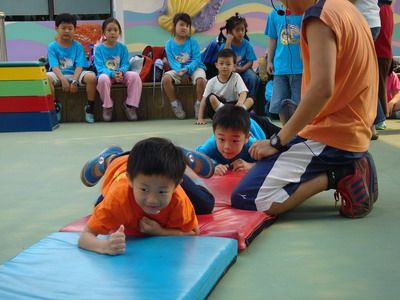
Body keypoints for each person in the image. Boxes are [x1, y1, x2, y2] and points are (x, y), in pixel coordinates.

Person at [231, 0, 378, 218]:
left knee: (248, 197)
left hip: (332, 136)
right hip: (354, 131)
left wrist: (278, 141)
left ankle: (342, 172)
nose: (282, 4)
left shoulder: (318, 17)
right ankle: (347, 163)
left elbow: (321, 89)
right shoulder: (346, 8)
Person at [78, 137, 216, 255]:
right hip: (120, 165)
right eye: (144, 190)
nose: (152, 200)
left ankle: (181, 158)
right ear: (130, 181)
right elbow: (85, 236)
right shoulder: (118, 198)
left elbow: (193, 231)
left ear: (176, 186)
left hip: (158, 175)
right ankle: (109, 158)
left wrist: (161, 231)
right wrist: (105, 246)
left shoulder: (178, 199)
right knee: (99, 206)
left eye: (162, 192)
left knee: (206, 203)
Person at [196, 105, 280, 176]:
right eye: (222, 139)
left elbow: (273, 161)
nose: (227, 147)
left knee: (285, 139)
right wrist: (212, 166)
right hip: (242, 122)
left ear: (246, 138)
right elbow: (196, 156)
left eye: (235, 141)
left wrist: (251, 165)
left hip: (259, 125)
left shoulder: (253, 145)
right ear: (214, 135)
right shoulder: (213, 143)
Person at [46, 13, 97, 123]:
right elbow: (54, 66)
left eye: (70, 28)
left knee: (92, 77)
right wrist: (63, 79)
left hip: (76, 74)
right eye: (63, 28)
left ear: (74, 29)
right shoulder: (52, 46)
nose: (67, 31)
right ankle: (55, 106)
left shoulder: (78, 46)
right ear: (56, 28)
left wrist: (74, 81)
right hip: (58, 74)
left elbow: (80, 66)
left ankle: (90, 108)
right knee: (46, 78)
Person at [95, 17, 142, 122]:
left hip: (121, 74)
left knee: (134, 76)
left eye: (115, 30)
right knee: (102, 78)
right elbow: (100, 67)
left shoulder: (122, 47)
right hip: (107, 75)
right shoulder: (99, 49)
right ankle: (107, 106)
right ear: (104, 33)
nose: (112, 33)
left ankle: (130, 105)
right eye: (109, 30)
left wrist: (121, 72)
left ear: (119, 32)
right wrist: (112, 74)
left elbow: (125, 64)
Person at [162, 13, 207, 120]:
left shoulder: (193, 42)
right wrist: (180, 72)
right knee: (166, 79)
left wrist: (187, 70)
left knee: (201, 79)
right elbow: (172, 62)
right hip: (178, 70)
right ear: (174, 26)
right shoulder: (169, 44)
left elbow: (197, 59)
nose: (184, 28)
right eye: (182, 24)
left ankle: (199, 105)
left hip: (194, 68)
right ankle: (175, 104)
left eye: (187, 25)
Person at [265, 7, 303, 125]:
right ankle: (285, 130)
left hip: (299, 68)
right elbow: (273, 39)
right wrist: (269, 61)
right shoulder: (274, 14)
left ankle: (298, 132)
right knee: (280, 103)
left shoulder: (303, 13)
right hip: (280, 68)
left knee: (298, 103)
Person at [195, 49, 254, 124]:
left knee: (251, 99)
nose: (224, 66)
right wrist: (200, 118)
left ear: (234, 66)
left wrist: (239, 104)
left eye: (228, 64)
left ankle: (236, 115)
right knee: (211, 98)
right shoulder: (211, 82)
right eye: (221, 63)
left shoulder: (236, 77)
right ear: (216, 65)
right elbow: (203, 100)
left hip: (234, 106)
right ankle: (229, 116)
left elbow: (243, 92)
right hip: (219, 111)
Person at [220, 13, 259, 101]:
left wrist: (242, 69)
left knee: (253, 77)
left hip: (244, 69)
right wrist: (228, 41)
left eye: (242, 30)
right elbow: (224, 57)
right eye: (237, 30)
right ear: (230, 31)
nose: (241, 32)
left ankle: (251, 99)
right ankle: (230, 101)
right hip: (229, 70)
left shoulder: (247, 44)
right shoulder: (225, 44)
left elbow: (250, 61)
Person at [374, 0, 394, 130]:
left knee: (378, 86)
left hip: (380, 53)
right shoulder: (388, 10)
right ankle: (382, 116)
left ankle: (381, 119)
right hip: (385, 53)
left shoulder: (380, 10)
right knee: (379, 85)